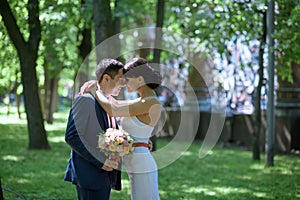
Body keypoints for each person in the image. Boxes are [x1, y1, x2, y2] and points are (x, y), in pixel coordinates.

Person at [85, 57, 162, 200]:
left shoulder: (150, 102)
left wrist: (94, 91)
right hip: (135, 161)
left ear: (140, 79)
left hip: (141, 163)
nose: (124, 84)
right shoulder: (140, 100)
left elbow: (113, 109)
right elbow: (114, 103)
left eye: (127, 80)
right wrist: (100, 85)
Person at [64, 58, 125, 200]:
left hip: (104, 176)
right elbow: (72, 136)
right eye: (120, 79)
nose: (123, 84)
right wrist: (101, 161)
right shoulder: (86, 100)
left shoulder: (107, 103)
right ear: (106, 78)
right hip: (90, 174)